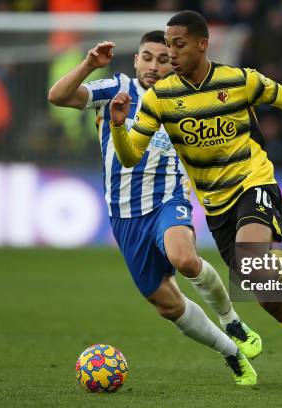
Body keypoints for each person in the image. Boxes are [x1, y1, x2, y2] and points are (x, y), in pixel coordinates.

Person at [109, 11, 282, 393]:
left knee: (251, 256)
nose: (170, 53)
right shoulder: (160, 99)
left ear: (203, 44)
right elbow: (130, 156)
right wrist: (119, 127)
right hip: (216, 205)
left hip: (253, 181)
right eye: (167, 45)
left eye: (178, 44)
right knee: (266, 292)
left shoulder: (239, 80)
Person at [48, 31, 261, 385]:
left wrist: (258, 184)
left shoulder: (185, 99)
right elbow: (57, 96)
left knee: (185, 258)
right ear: (136, 60)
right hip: (124, 216)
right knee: (168, 305)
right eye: (147, 57)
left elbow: (223, 148)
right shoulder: (115, 89)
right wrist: (88, 64)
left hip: (168, 200)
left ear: (174, 63)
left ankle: (232, 320)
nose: (154, 66)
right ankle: (231, 352)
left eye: (163, 59)